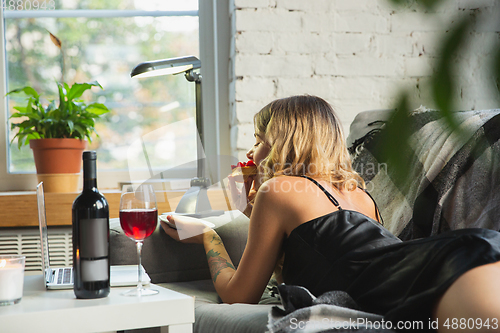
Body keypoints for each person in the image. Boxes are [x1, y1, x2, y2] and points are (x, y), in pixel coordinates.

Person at [161, 95, 500, 332]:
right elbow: (317, 259)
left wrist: (208, 235)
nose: (251, 151)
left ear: (282, 144)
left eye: (258, 139)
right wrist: (251, 210)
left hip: (444, 272)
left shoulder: (276, 190)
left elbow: (238, 295)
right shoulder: (359, 193)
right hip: (464, 254)